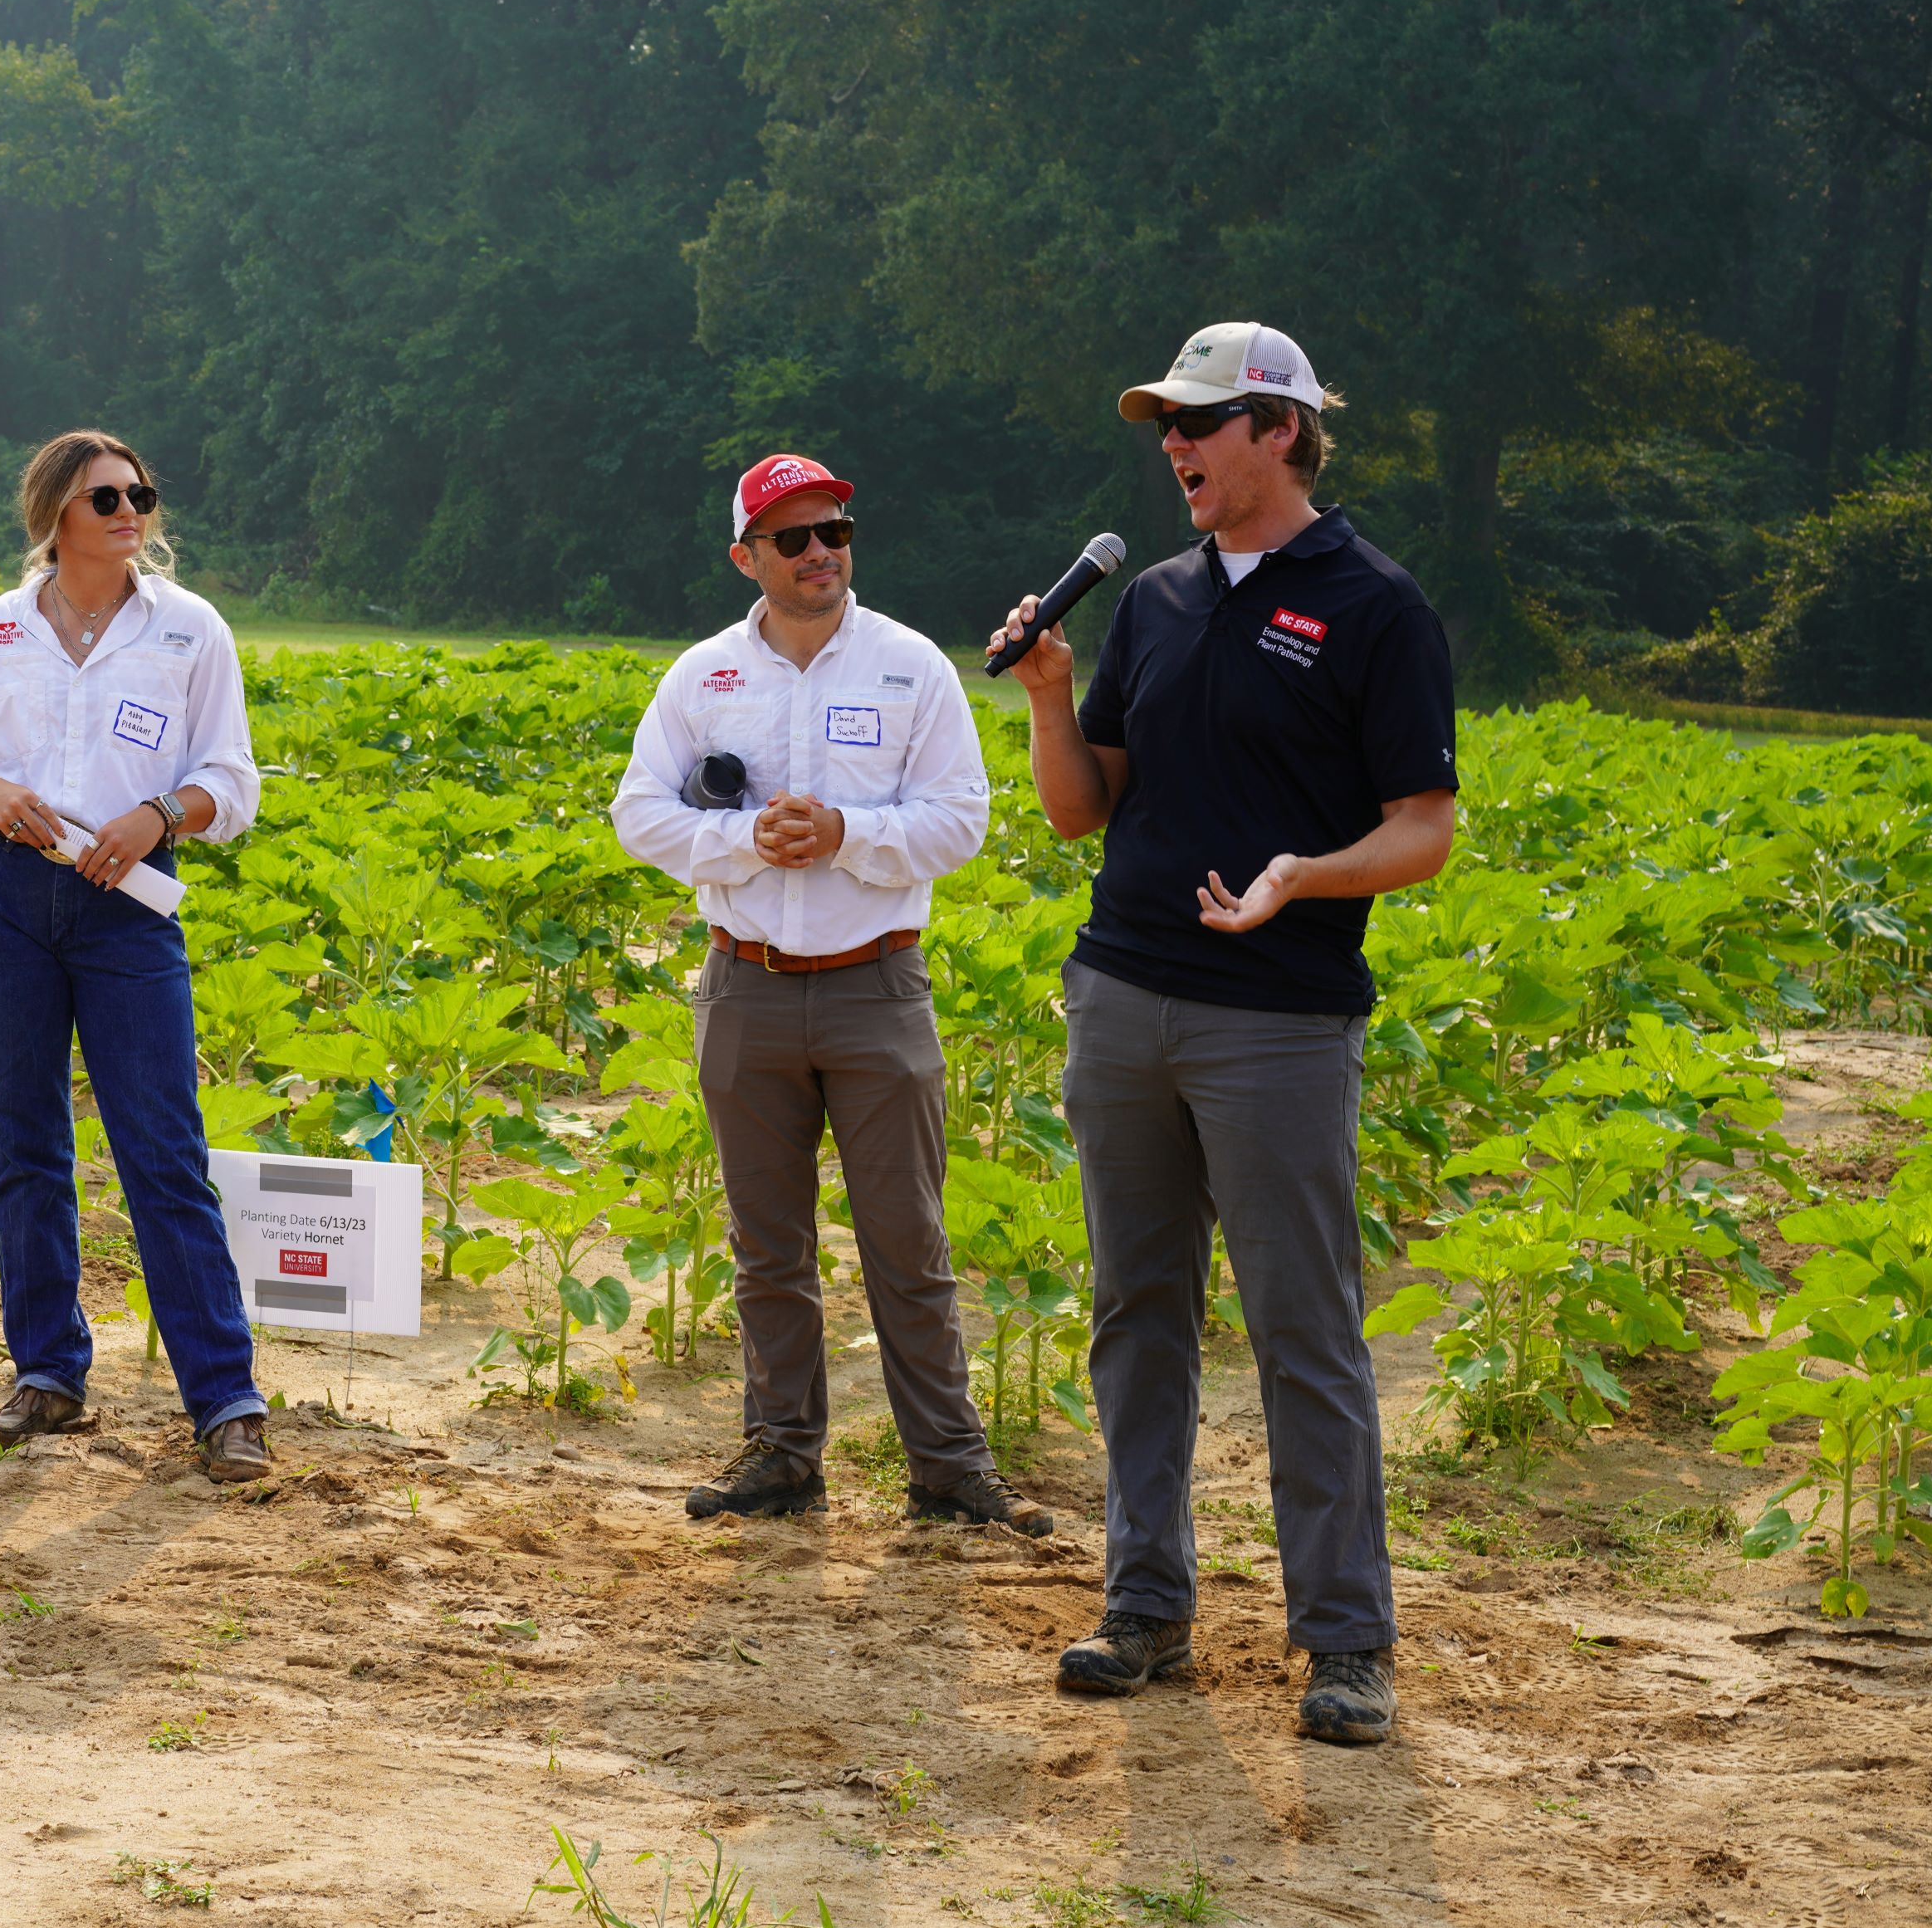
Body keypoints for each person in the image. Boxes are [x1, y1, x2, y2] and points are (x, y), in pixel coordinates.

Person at [986, 323, 1455, 1744]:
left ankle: (1346, 1642)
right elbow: (1082, 808)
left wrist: (1302, 877)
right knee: (1137, 1312)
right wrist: (1054, 697)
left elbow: (1424, 830)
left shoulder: (1376, 605)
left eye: (1199, 422)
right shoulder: (1164, 602)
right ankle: (1147, 1606)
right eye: (1164, 426)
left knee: (1303, 1324)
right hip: (1123, 993)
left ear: (1282, 432)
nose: (1174, 446)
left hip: (1280, 1021)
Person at [614, 453, 1052, 1536]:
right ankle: (782, 1453)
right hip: (746, 985)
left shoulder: (910, 666)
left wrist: (850, 833)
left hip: (877, 986)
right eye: (794, 537)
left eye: (836, 532)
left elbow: (962, 818)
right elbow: (638, 812)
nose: (822, 553)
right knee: (769, 1244)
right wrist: (741, 837)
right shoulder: (703, 677)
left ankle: (949, 1468)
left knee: (908, 1241)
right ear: (746, 556)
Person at [0, 430, 271, 1482]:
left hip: (128, 908)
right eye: (105, 497)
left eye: (139, 494)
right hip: (9, 904)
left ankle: (225, 1399)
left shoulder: (189, 631)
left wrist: (162, 814)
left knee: (163, 1155)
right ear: (54, 518)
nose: (131, 512)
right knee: (25, 1148)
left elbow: (234, 781)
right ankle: (47, 1375)